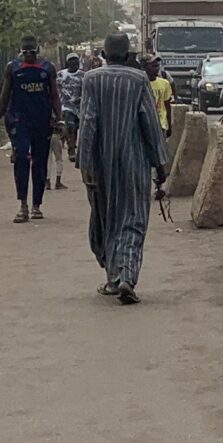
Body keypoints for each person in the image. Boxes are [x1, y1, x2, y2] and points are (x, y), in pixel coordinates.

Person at [74, 33, 168, 304]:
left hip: (100, 164)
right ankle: (125, 275)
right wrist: (160, 163)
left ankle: (115, 275)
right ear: (128, 54)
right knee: (134, 219)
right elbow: (150, 124)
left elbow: (88, 122)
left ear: (104, 53)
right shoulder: (139, 80)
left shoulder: (91, 79)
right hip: (134, 163)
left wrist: (86, 164)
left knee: (105, 218)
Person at [0, 36, 61, 223]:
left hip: (42, 122)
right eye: (25, 52)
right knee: (21, 158)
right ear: (21, 52)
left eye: (32, 52)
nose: (29, 56)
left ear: (37, 51)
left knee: (40, 163)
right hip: (19, 122)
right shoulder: (12, 68)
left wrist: (59, 120)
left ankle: (37, 205)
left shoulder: (47, 68)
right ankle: (23, 205)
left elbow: (54, 95)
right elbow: (4, 97)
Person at [148, 61, 177, 137]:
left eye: (157, 66)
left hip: (161, 125)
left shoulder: (164, 83)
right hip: (146, 125)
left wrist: (169, 125)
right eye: (153, 66)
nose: (157, 69)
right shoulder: (140, 83)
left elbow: (167, 105)